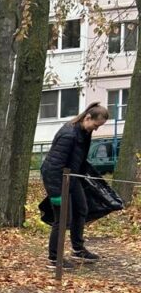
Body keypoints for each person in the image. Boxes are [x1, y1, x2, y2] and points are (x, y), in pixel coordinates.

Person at [41, 101, 109, 269]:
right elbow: (53, 166)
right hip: (58, 179)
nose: (96, 129)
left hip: (72, 178)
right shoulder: (69, 134)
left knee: (81, 209)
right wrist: (56, 194)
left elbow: (78, 158)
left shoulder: (84, 132)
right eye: (95, 125)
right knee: (63, 219)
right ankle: (54, 258)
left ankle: (78, 249)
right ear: (87, 118)